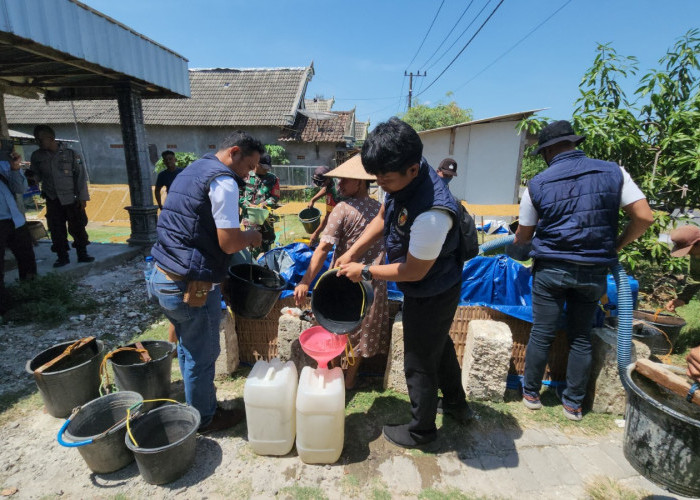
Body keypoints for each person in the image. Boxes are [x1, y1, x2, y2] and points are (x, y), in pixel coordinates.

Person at [336, 117, 473, 449]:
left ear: (413, 169)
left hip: (433, 288)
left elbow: (414, 271)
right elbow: (384, 216)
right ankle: (456, 405)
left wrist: (365, 271)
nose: (382, 184)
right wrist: (354, 250)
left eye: (387, 179)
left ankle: (421, 431)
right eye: (377, 178)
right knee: (437, 347)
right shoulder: (404, 175)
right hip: (429, 282)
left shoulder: (432, 212)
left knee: (418, 360)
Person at [513, 120, 654, 421]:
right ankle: (573, 404)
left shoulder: (537, 184)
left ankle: (531, 393)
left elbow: (524, 238)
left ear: (549, 151)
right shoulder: (614, 172)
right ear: (574, 144)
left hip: (551, 268)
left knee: (542, 331)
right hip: (593, 270)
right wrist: (614, 247)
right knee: (580, 335)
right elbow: (644, 217)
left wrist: (520, 241)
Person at [149, 130, 264, 433]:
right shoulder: (224, 181)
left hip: (162, 275)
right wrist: (251, 235)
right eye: (249, 166)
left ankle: (194, 407)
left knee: (188, 346)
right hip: (190, 286)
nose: (250, 174)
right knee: (202, 356)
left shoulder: (194, 169)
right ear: (234, 152)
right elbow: (228, 243)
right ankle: (205, 419)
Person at [293, 155, 391, 389]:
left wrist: (306, 281)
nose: (339, 185)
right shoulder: (380, 211)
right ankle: (349, 380)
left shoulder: (342, 209)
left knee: (337, 328)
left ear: (359, 182)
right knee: (362, 330)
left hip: (343, 283)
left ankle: (335, 374)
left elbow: (324, 248)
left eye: (344, 180)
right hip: (372, 283)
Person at [30, 125, 94, 267]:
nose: (39, 143)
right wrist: (31, 178)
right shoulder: (37, 156)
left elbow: (80, 176)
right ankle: (62, 256)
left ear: (51, 138)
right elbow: (36, 176)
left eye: (41, 140)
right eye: (37, 140)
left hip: (71, 198)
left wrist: (83, 197)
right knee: (56, 229)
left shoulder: (70, 153)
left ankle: (82, 253)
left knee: (78, 227)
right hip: (53, 199)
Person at [0, 151, 37, 314]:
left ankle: (31, 297)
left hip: (15, 220)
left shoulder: (3, 166)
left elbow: (21, 188)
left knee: (27, 258)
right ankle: (4, 307)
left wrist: (15, 169)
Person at [240, 153, 280, 252]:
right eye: (264, 167)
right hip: (250, 219)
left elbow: (275, 196)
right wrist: (248, 205)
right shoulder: (244, 176)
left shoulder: (272, 179)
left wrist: (265, 204)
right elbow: (238, 195)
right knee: (252, 248)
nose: (267, 170)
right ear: (257, 164)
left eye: (268, 167)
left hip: (266, 218)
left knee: (267, 246)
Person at [665, 225, 700, 312]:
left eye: (689, 250)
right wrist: (681, 299)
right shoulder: (696, 254)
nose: (688, 253)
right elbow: (695, 278)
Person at [307, 166, 343, 246]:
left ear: (328, 178)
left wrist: (316, 233)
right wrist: (313, 199)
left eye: (321, 183)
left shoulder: (337, 192)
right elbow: (325, 189)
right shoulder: (330, 182)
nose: (320, 185)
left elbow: (328, 217)